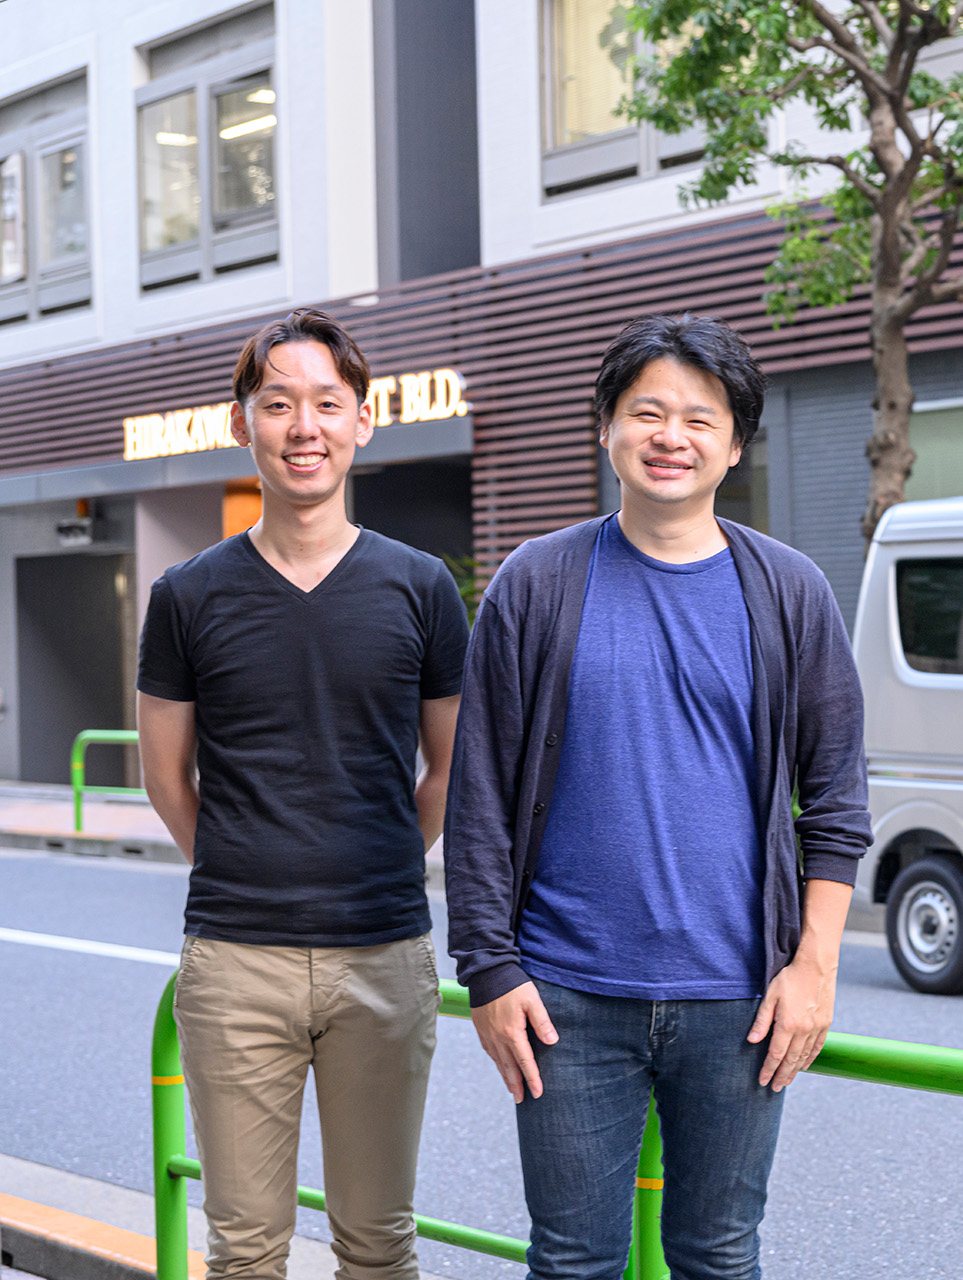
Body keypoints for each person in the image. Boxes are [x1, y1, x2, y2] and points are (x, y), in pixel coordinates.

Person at [444, 313, 870, 1280]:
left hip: (741, 999)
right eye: (647, 412)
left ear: (735, 444)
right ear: (607, 427)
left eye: (700, 418)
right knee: (571, 1260)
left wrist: (815, 969)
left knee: (720, 1256)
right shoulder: (537, 583)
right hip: (564, 996)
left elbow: (837, 798)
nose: (670, 436)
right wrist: (491, 971)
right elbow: (478, 800)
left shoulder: (790, 592)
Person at [138, 309, 469, 1280]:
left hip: (384, 952)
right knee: (245, 1248)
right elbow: (166, 777)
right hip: (236, 961)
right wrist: (248, 865)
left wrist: (376, 862)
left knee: (378, 1240)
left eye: (327, 402)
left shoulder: (420, 587)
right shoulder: (188, 593)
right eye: (278, 403)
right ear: (245, 422)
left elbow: (445, 769)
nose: (303, 425)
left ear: (363, 421)